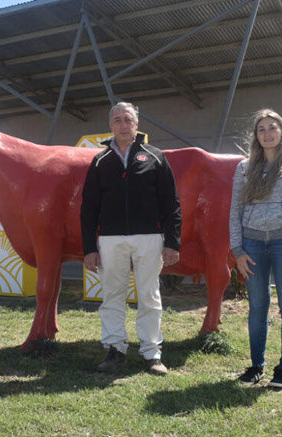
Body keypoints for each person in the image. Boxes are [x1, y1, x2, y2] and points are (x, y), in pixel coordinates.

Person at [80, 102, 181, 375]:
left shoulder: (155, 157)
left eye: (128, 119)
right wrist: (90, 248)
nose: (123, 125)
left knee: (149, 295)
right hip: (111, 240)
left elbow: (171, 203)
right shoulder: (100, 161)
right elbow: (88, 208)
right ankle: (115, 349)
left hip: (149, 237)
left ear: (137, 124)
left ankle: (151, 353)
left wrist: (172, 242)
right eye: (117, 120)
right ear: (110, 125)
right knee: (112, 295)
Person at [229, 109, 282, 388]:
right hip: (252, 245)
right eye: (261, 129)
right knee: (257, 307)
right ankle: (257, 366)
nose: (267, 133)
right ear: (256, 136)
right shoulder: (244, 168)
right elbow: (235, 211)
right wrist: (237, 250)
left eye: (272, 127)